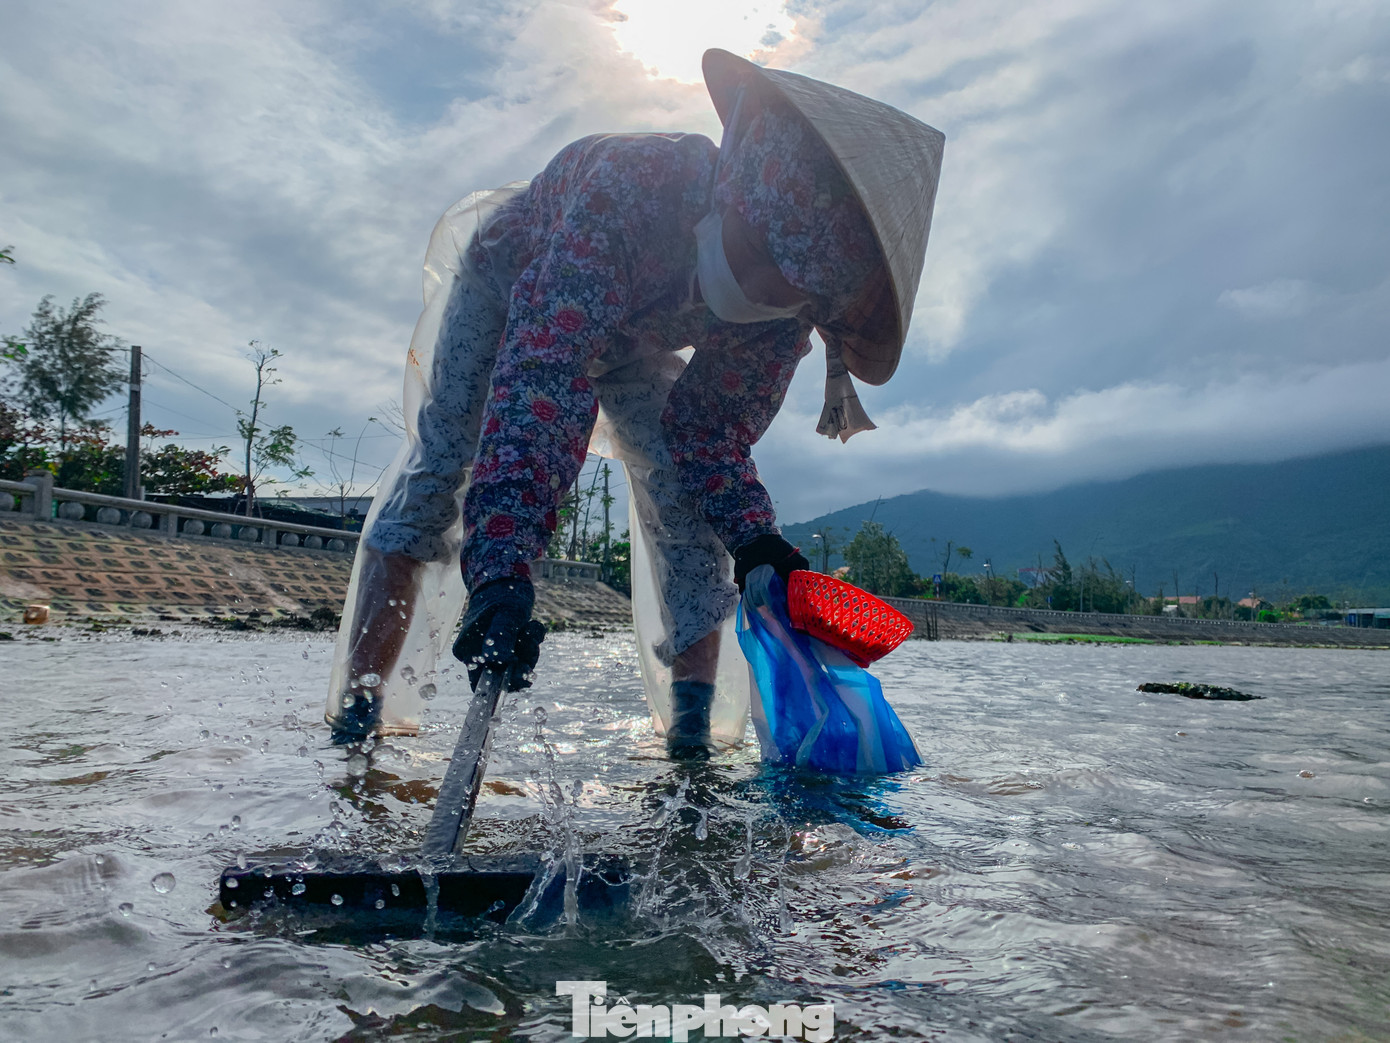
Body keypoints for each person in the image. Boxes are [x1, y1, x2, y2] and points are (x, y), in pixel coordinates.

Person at [324, 49, 944, 759]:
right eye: (758, 253)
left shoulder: (780, 317)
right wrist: (501, 567)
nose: (764, 287)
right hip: (516, 280)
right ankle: (361, 711)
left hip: (630, 336)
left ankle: (690, 735)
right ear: (739, 189)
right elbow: (543, 376)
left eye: (788, 287)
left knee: (683, 499)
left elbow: (708, 434)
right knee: (442, 468)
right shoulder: (633, 189)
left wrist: (758, 541)